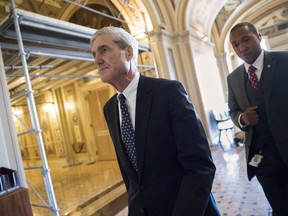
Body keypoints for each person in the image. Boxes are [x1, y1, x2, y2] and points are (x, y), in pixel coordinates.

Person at [90, 26, 220, 216]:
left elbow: (200, 167)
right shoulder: (110, 109)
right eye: (94, 54)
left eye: (104, 50)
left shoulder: (168, 93)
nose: (96, 60)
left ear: (128, 52)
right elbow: (131, 176)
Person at [227, 22, 288, 216]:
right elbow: (233, 111)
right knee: (280, 208)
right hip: (263, 162)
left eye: (246, 39)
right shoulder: (233, 78)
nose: (241, 47)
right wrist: (242, 118)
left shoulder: (284, 61)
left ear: (259, 37)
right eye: (235, 44)